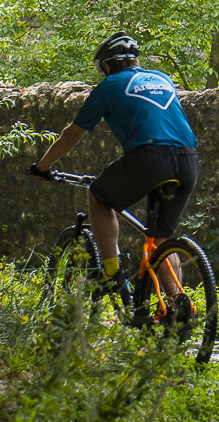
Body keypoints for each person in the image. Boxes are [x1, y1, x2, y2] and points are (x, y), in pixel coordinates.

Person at [30, 32, 199, 296]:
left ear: (107, 65)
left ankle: (111, 272)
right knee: (160, 239)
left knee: (98, 195)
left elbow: (72, 134)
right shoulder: (162, 79)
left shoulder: (109, 86)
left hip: (150, 158)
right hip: (189, 159)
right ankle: (178, 307)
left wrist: (42, 166)